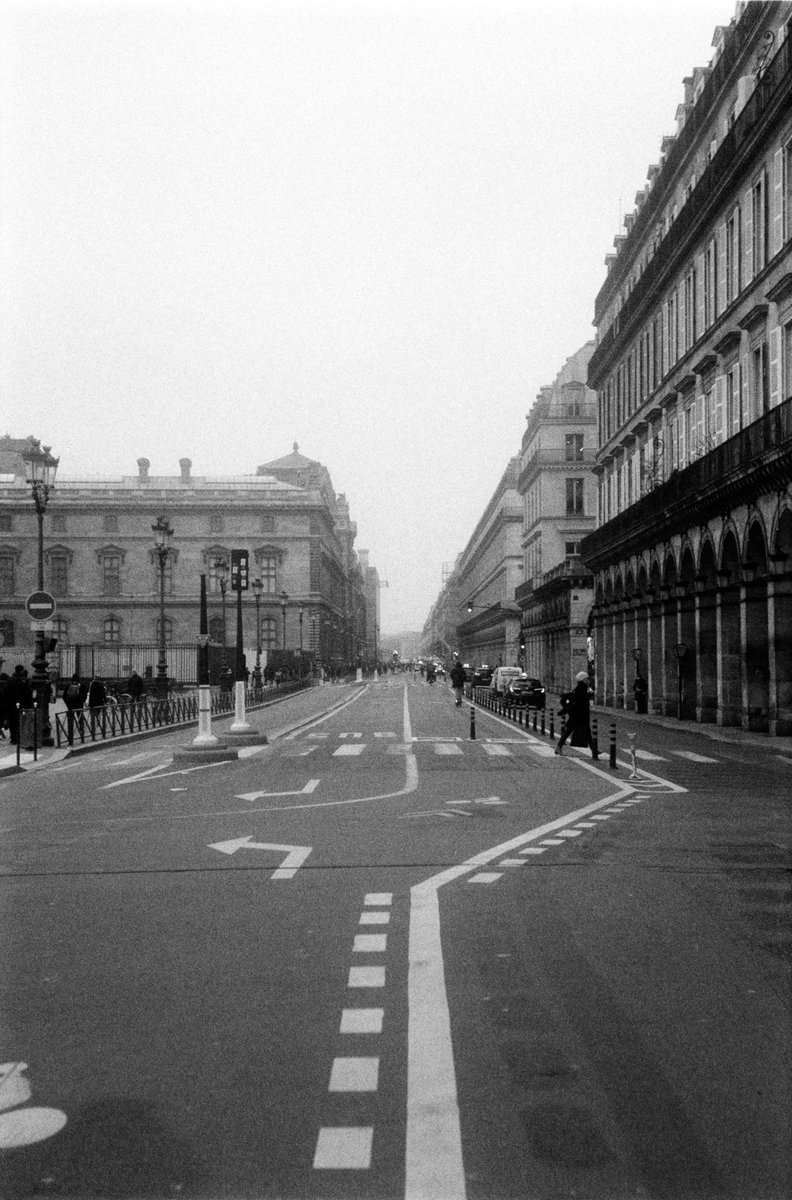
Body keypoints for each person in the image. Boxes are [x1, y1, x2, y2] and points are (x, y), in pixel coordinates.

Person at [555, 670, 598, 759]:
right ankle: (559, 747)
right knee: (569, 731)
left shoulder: (580, 688)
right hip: (579, 716)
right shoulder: (580, 689)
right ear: (582, 679)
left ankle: (594, 751)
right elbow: (579, 703)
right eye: (586, 679)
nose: (587, 680)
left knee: (587, 732)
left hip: (578, 715)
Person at [5, 665, 33, 746]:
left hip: (11, 705)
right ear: (21, 671)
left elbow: (6, 692)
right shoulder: (24, 680)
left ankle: (13, 738)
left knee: (12, 721)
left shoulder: (10, 680)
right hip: (22, 705)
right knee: (21, 721)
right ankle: (20, 738)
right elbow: (28, 693)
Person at [63, 673, 88, 745]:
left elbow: (64, 696)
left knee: (70, 719)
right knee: (80, 718)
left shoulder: (68, 686)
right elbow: (84, 696)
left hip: (70, 706)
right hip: (79, 706)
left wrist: (68, 704)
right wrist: (81, 702)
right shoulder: (82, 686)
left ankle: (70, 731)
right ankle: (81, 730)